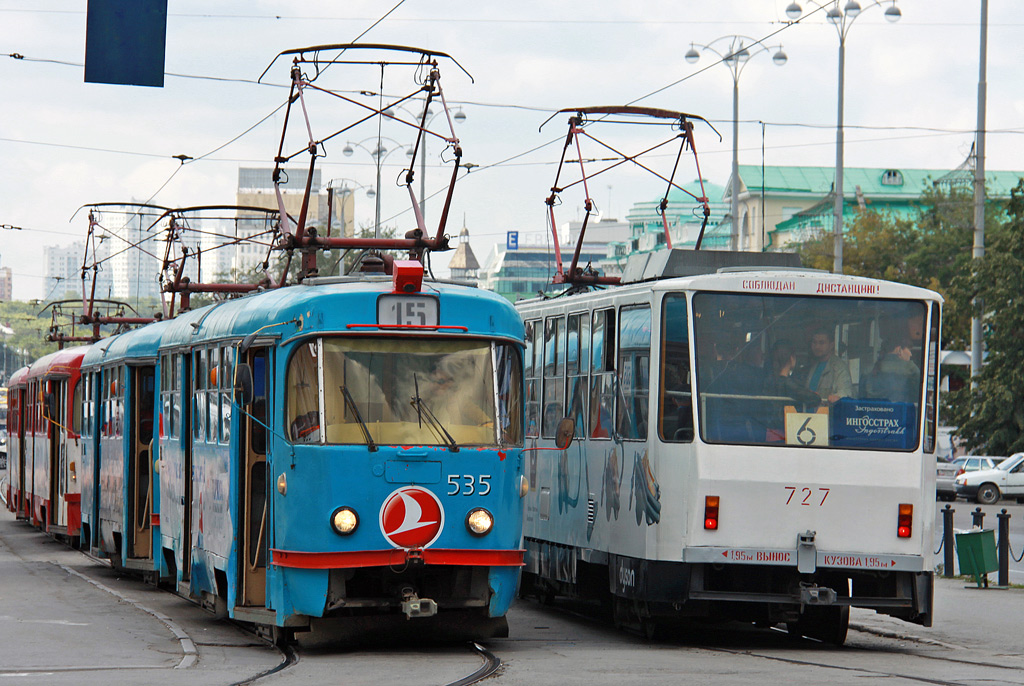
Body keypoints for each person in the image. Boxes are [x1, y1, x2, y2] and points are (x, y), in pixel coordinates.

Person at [802, 327, 853, 404]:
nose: (817, 346)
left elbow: (846, 393)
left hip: (828, 414)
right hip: (808, 414)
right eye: (814, 342)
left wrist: (837, 397)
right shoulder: (812, 366)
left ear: (831, 345)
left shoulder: (839, 367)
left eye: (821, 343)